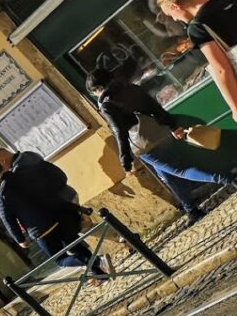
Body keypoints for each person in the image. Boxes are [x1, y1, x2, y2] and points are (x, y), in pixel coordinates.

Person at [86, 67, 233, 224]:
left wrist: (125, 160)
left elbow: (119, 132)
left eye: (94, 92)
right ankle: (191, 210)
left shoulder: (106, 105)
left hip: (146, 145)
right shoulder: (131, 88)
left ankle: (227, 178)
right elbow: (155, 107)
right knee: (167, 176)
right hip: (161, 132)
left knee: (181, 170)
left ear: (97, 89)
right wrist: (172, 126)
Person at [0, 150, 110, 280]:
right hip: (56, 216)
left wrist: (20, 240)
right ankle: (101, 274)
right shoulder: (21, 175)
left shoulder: (0, 197)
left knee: (60, 260)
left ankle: (98, 261)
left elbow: (9, 221)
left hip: (41, 231)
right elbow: (45, 193)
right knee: (75, 247)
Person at [159, 0, 237, 121]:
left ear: (176, 6)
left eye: (171, 15)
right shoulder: (231, 0)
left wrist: (235, 108)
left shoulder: (197, 27)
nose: (175, 20)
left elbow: (221, 69)